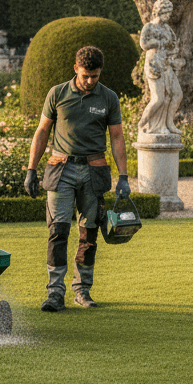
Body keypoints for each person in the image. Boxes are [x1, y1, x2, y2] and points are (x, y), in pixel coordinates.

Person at [24, 46, 128, 311]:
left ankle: (82, 291)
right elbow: (42, 131)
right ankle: (55, 294)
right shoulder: (57, 93)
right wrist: (31, 170)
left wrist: (124, 176)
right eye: (85, 76)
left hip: (94, 170)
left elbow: (116, 136)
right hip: (61, 169)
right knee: (58, 231)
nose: (90, 81)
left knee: (88, 232)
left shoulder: (108, 97)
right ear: (76, 70)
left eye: (95, 76)